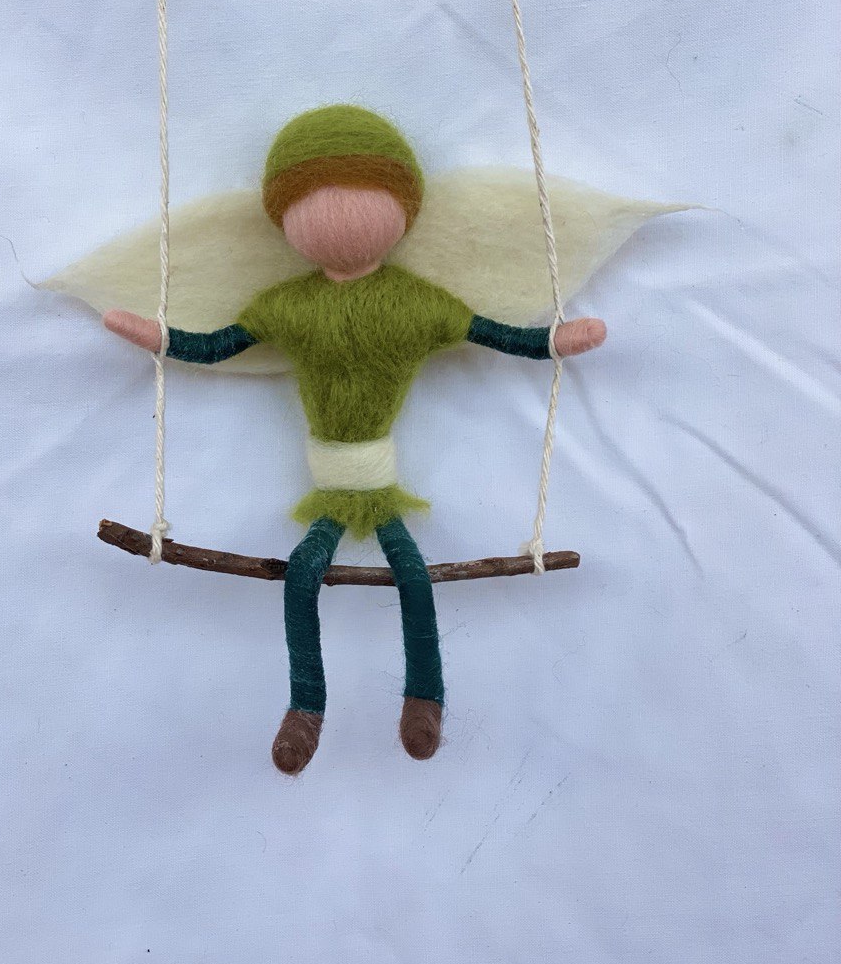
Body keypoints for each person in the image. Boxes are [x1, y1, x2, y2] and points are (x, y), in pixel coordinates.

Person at [105, 106, 606, 774]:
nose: (339, 215)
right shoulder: (289, 307)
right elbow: (216, 345)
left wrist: (553, 341)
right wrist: (159, 337)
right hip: (338, 480)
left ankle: (423, 700)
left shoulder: (414, 304)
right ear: (283, 217)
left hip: (370, 477)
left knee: (407, 576)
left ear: (404, 209)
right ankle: (304, 708)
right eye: (314, 200)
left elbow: (494, 334)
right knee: (307, 576)